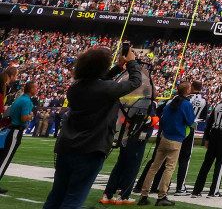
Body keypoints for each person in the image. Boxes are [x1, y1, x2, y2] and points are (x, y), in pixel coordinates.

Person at [41, 44, 147, 209]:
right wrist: (132, 63)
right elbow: (135, 82)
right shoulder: (104, 89)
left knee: (56, 196)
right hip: (90, 148)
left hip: (66, 146)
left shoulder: (75, 87)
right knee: (73, 199)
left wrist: (117, 68)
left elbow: (97, 81)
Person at [135, 80, 194, 207]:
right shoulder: (187, 105)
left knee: (154, 167)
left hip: (164, 137)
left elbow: (162, 119)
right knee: (169, 168)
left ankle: (143, 194)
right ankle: (162, 196)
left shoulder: (170, 103)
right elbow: (190, 121)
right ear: (187, 91)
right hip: (176, 139)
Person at [100, 92, 156, 206]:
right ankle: (123, 196)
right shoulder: (147, 103)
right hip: (137, 138)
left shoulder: (132, 100)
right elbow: (147, 120)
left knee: (120, 166)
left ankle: (108, 194)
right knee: (132, 168)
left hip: (125, 136)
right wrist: (155, 119)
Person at [0, 79, 37, 192]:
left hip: (11, 129)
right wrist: (31, 116)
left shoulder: (20, 99)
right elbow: (24, 118)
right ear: (31, 89)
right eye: (35, 87)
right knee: (5, 158)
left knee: (3, 156)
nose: (37, 89)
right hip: (16, 131)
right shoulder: (27, 101)